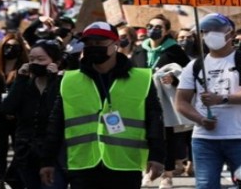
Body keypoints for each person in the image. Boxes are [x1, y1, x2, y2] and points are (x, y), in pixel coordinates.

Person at [40, 22, 165, 189]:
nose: (93, 47)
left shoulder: (141, 79)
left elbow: (155, 119)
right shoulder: (69, 80)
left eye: (99, 43)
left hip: (125, 165)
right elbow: (55, 123)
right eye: (89, 44)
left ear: (115, 45)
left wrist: (157, 156)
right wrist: (47, 160)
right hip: (83, 165)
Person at [175, 13, 241, 189]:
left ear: (231, 34)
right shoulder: (194, 66)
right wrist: (200, 120)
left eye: (217, 30)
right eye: (206, 31)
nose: (211, 34)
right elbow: (181, 102)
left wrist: (222, 99)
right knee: (205, 185)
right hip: (204, 140)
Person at [131, 15, 190, 188]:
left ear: (166, 31)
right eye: (150, 26)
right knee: (143, 135)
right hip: (141, 99)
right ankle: (146, 170)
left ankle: (167, 175)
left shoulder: (174, 51)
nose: (153, 30)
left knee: (167, 137)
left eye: (158, 27)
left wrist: (174, 78)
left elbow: (188, 74)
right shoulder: (139, 50)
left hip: (164, 101)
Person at [2, 40, 67, 189]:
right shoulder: (25, 84)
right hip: (26, 152)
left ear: (55, 62)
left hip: (52, 153)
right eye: (31, 59)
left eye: (41, 59)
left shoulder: (62, 83)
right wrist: (21, 79)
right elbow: (7, 108)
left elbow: (54, 110)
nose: (35, 63)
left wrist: (53, 79)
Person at [0, 33, 29, 189]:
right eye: (7, 46)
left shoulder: (25, 67)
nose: (10, 49)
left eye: (15, 47)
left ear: (21, 49)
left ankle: (17, 178)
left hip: (18, 115)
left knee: (20, 150)